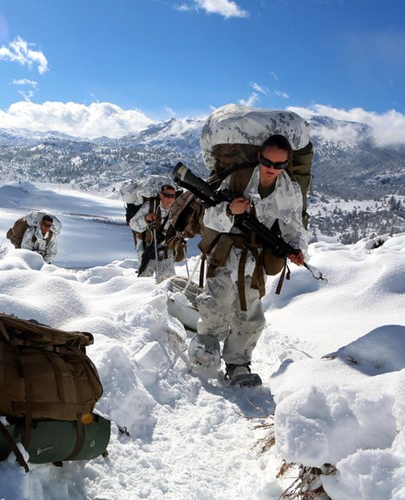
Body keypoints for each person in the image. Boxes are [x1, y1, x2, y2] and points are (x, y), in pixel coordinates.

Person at [190, 134, 308, 386]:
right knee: (215, 303)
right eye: (267, 162)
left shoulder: (289, 191)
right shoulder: (238, 178)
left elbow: (293, 226)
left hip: (255, 258)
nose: (271, 169)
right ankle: (205, 354)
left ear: (286, 164)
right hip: (224, 252)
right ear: (259, 157)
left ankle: (238, 363)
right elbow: (209, 219)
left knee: (251, 313)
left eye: (279, 165)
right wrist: (230, 210)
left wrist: (296, 248)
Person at [129, 184, 178, 281]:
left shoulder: (176, 209)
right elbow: (133, 224)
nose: (170, 199)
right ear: (160, 195)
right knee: (144, 280)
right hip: (148, 248)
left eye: (173, 196)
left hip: (166, 250)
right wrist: (145, 219)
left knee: (167, 281)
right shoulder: (150, 206)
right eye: (167, 195)